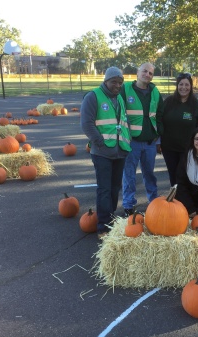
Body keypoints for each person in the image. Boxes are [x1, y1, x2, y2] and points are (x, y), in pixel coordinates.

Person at [80, 67, 131, 238]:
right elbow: (86, 123)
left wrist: (127, 140)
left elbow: (124, 121)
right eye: (114, 82)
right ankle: (102, 226)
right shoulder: (93, 96)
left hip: (120, 151)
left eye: (120, 82)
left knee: (115, 188)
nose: (117, 85)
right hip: (102, 152)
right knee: (104, 189)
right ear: (106, 81)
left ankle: (110, 218)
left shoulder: (120, 98)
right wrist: (99, 143)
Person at [121, 63, 164, 216]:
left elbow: (159, 115)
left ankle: (153, 201)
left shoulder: (155, 91)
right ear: (137, 72)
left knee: (149, 174)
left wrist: (158, 138)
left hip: (150, 142)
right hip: (131, 141)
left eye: (151, 73)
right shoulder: (125, 89)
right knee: (129, 174)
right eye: (144, 71)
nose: (147, 74)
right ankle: (128, 204)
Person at [161, 72, 198, 186]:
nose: (183, 87)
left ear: (191, 87)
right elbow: (160, 121)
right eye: (181, 84)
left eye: (187, 85)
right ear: (177, 86)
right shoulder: (168, 102)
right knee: (173, 175)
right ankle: (174, 200)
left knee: (185, 176)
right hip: (169, 148)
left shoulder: (197, 106)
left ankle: (185, 201)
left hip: (188, 149)